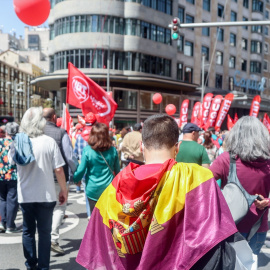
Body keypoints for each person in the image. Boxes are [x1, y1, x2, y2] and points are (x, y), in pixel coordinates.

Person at [76, 114, 255, 269]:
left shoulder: (117, 185)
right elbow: (213, 230)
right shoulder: (198, 177)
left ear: (141, 146)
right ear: (176, 148)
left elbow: (101, 238)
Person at [8, 107, 68, 270]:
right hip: (46, 194)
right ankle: (43, 266)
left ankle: (31, 264)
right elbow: (58, 170)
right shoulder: (48, 141)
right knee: (44, 233)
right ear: (40, 123)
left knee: (27, 231)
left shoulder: (18, 141)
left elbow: (12, 162)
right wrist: (63, 189)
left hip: (26, 195)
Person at [210, 116, 270, 255]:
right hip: (258, 228)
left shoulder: (226, 159)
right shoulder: (267, 163)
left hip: (230, 227)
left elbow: (203, 185)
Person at [43, 108, 78, 255]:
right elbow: (69, 156)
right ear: (54, 117)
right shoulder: (61, 133)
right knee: (59, 207)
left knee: (44, 209)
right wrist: (75, 170)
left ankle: (44, 239)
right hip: (58, 177)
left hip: (39, 177)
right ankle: (53, 239)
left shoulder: (36, 133)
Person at [73, 122, 120, 214]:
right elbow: (117, 171)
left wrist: (75, 179)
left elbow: (81, 170)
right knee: (108, 219)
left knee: (95, 219)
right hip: (108, 189)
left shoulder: (87, 150)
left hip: (92, 189)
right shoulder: (113, 150)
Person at [0, 122, 19, 233]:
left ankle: (2, 222)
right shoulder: (16, 143)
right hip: (12, 175)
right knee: (12, 200)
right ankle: (10, 225)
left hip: (0, 175)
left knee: (2, 199)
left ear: (6, 131)